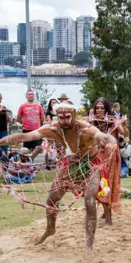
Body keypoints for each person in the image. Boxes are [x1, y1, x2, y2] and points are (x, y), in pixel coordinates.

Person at [0, 102, 119, 251]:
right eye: (61, 118)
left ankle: (89, 244)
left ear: (74, 115)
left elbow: (103, 136)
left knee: (89, 200)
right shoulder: (53, 129)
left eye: (68, 117)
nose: (64, 121)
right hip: (70, 164)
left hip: (92, 164)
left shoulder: (85, 129)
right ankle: (51, 228)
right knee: (52, 199)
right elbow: (25, 136)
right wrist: (1, 141)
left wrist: (112, 142)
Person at [17, 90, 45, 160]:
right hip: (27, 131)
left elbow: (42, 118)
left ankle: (30, 161)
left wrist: (37, 124)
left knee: (38, 147)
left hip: (37, 130)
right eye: (29, 94)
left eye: (32, 94)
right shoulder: (22, 106)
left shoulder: (38, 106)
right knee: (26, 149)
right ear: (26, 96)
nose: (31, 95)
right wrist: (25, 124)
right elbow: (18, 118)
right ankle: (28, 163)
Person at [0, 93, 10, 163]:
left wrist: (6, 113)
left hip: (4, 130)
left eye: (0, 98)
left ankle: (4, 162)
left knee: (4, 146)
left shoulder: (4, 108)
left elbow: (8, 120)